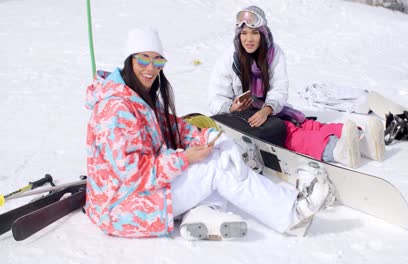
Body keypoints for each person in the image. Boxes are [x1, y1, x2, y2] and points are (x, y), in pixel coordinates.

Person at [84, 26, 335, 240]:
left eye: (158, 60)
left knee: (216, 159)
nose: (151, 68)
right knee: (215, 168)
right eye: (143, 59)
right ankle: (291, 213)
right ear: (129, 59)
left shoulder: (136, 96)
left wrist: (216, 139)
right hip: (122, 209)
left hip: (133, 198)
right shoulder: (116, 109)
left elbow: (175, 127)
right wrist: (185, 159)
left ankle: (202, 211)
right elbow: (135, 175)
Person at [208, 6, 385, 169]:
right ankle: (336, 149)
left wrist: (267, 109)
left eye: (254, 33)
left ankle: (363, 143)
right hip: (242, 117)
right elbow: (215, 98)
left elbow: (279, 88)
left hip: (270, 110)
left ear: (262, 33)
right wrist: (231, 107)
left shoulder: (273, 53)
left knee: (304, 123)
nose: (248, 38)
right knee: (289, 131)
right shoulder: (229, 59)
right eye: (244, 33)